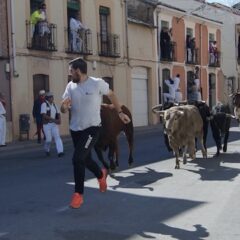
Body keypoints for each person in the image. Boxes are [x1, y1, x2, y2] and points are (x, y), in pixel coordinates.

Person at [61, 58, 130, 209]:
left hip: (92, 128)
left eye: (71, 71)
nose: (70, 74)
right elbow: (63, 107)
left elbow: (111, 94)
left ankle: (78, 195)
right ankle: (101, 175)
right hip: (75, 130)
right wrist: (64, 107)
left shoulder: (96, 83)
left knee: (77, 158)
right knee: (85, 160)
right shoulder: (70, 86)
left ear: (78, 71)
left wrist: (119, 113)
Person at [41, 92, 64, 157]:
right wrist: (53, 120)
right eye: (50, 97)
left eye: (52, 97)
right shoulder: (44, 104)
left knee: (57, 137)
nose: (52, 98)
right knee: (48, 140)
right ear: (47, 98)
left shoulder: (55, 105)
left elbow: (58, 114)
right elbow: (44, 115)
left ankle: (60, 152)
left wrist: (59, 120)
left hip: (54, 125)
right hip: (47, 125)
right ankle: (47, 149)